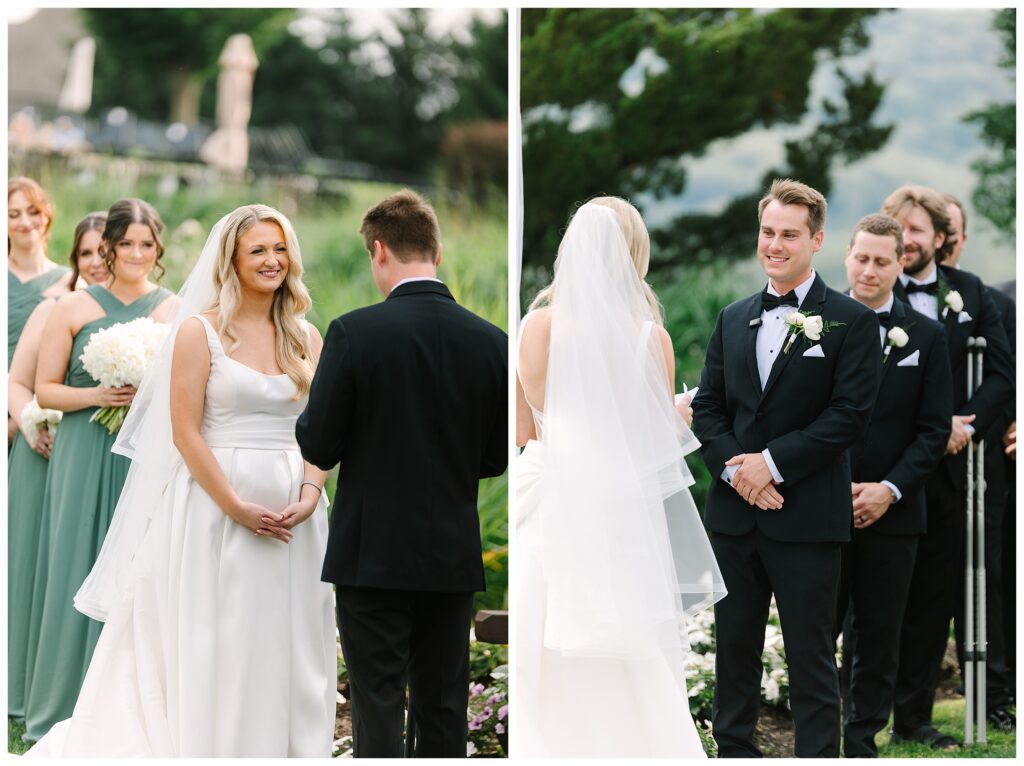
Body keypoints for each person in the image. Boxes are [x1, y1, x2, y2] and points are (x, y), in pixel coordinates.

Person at [26, 204, 336, 756]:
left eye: (280, 249)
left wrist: (311, 493)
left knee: (288, 639)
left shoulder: (306, 337)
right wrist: (235, 506)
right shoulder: (200, 331)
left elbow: (322, 429)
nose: (272, 260)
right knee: (220, 635)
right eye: (258, 250)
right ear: (233, 261)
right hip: (214, 510)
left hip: (297, 516)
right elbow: (186, 433)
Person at [296, 189, 507, 758]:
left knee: (377, 700)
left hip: (373, 555)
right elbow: (495, 459)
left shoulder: (353, 333)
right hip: (450, 554)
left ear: (379, 251)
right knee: (443, 704)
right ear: (437, 255)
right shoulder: (492, 342)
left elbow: (319, 441)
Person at [512, 197, 725, 757]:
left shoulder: (535, 326)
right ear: (635, 254)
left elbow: (520, 431)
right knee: (631, 645)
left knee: (545, 648)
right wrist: (680, 414)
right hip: (617, 512)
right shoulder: (647, 337)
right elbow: (651, 444)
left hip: (546, 501)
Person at [692, 178, 881, 758]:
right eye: (767, 232)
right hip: (734, 519)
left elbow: (848, 417)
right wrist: (736, 471)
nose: (774, 244)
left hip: (806, 518)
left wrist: (771, 465)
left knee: (812, 658)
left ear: (817, 239)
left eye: (789, 235)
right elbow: (708, 407)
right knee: (734, 654)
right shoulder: (732, 317)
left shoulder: (852, 321)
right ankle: (734, 753)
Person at [22, 199, 177, 742]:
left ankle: (122, 710)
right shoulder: (73, 308)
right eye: (126, 243)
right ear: (107, 246)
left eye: (146, 245)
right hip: (85, 449)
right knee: (72, 564)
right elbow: (44, 390)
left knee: (136, 572)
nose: (136, 253)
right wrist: (99, 394)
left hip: (142, 460)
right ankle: (56, 705)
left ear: (158, 251)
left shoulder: (173, 310)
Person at [885, 185, 1013, 749]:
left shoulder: (972, 294)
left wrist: (963, 424)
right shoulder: (868, 290)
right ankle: (854, 712)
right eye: (898, 228)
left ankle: (915, 719)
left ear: (941, 239)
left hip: (950, 474)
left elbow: (1002, 378)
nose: (905, 240)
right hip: (883, 472)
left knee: (935, 598)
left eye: (916, 230)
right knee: (874, 598)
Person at [835, 214, 952, 757]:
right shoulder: (815, 322)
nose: (869, 270)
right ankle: (820, 735)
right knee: (816, 632)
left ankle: (862, 740)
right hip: (821, 507)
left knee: (881, 634)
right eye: (862, 258)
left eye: (882, 261)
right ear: (846, 256)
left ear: (900, 263)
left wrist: (889, 489)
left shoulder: (926, 335)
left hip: (895, 511)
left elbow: (933, 430)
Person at [8, 212, 108, 721]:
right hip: (43, 445)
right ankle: (23, 687)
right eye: (86, 253)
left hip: (100, 458)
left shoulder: (141, 314)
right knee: (32, 567)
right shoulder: (54, 308)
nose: (96, 262)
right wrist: (33, 423)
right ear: (75, 259)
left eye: (102, 251)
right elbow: (18, 380)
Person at [943, 193, 1016, 732]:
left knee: (989, 581)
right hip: (906, 466)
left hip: (983, 463)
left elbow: (1006, 377)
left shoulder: (995, 300)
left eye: (951, 230)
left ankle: (994, 695)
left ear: (963, 238)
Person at [8, 177, 70, 445]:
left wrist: (24, 418)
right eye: (13, 214)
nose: (25, 222)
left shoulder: (71, 282)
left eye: (33, 212)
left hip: (38, 413)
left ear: (47, 215)